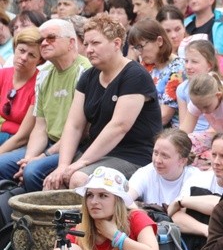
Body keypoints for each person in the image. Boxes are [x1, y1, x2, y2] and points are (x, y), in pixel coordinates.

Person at [42, 14, 162, 190]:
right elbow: (74, 125)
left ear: (116, 44)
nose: (89, 49)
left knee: (79, 180)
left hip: (132, 155)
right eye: (87, 44)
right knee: (52, 183)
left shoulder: (135, 76)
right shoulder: (88, 76)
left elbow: (119, 126)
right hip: (98, 152)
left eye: (95, 43)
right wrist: (62, 166)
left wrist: (81, 163)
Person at [0, 20, 91, 191]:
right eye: (42, 39)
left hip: (75, 147)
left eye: (51, 38)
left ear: (71, 42)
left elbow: (80, 131)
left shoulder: (84, 72)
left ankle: (39, 214)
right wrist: (28, 158)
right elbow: (40, 128)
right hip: (49, 143)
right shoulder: (45, 75)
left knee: (32, 172)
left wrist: (41, 156)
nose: (44, 43)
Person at [128, 19, 185, 128]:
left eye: (141, 46)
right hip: (144, 127)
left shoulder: (178, 68)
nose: (139, 53)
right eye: (136, 48)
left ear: (159, 41)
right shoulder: (145, 66)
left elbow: (164, 116)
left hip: (169, 133)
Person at [128, 128, 204, 206]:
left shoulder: (195, 178)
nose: (157, 160)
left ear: (182, 161)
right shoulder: (145, 172)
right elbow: (125, 198)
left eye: (165, 156)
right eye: (155, 153)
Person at [0, 27, 42, 145]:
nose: (24, 58)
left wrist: (5, 125)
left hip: (21, 142)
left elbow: (24, 136)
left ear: (40, 60)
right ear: (15, 49)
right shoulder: (3, 74)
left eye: (32, 55)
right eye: (22, 50)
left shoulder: (39, 84)